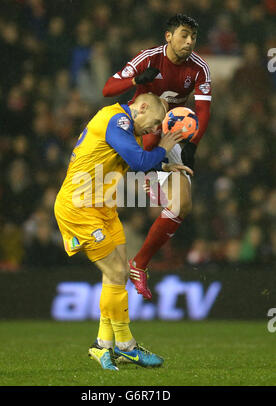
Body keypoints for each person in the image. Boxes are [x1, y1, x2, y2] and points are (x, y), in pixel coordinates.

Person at [54, 93, 189, 371]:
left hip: (103, 208)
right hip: (79, 208)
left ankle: (102, 346)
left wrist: (164, 165)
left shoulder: (126, 129)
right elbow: (139, 161)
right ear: (140, 108)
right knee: (115, 273)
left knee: (116, 276)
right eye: (155, 122)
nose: (156, 129)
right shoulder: (116, 119)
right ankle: (127, 347)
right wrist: (163, 147)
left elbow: (134, 162)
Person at [103, 14, 211, 300]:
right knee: (148, 142)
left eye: (193, 37)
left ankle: (139, 264)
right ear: (168, 36)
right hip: (142, 128)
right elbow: (107, 89)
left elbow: (203, 112)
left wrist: (193, 144)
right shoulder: (148, 58)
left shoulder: (199, 69)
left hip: (171, 131)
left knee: (182, 206)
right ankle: (150, 171)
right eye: (184, 35)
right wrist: (137, 79)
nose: (189, 42)